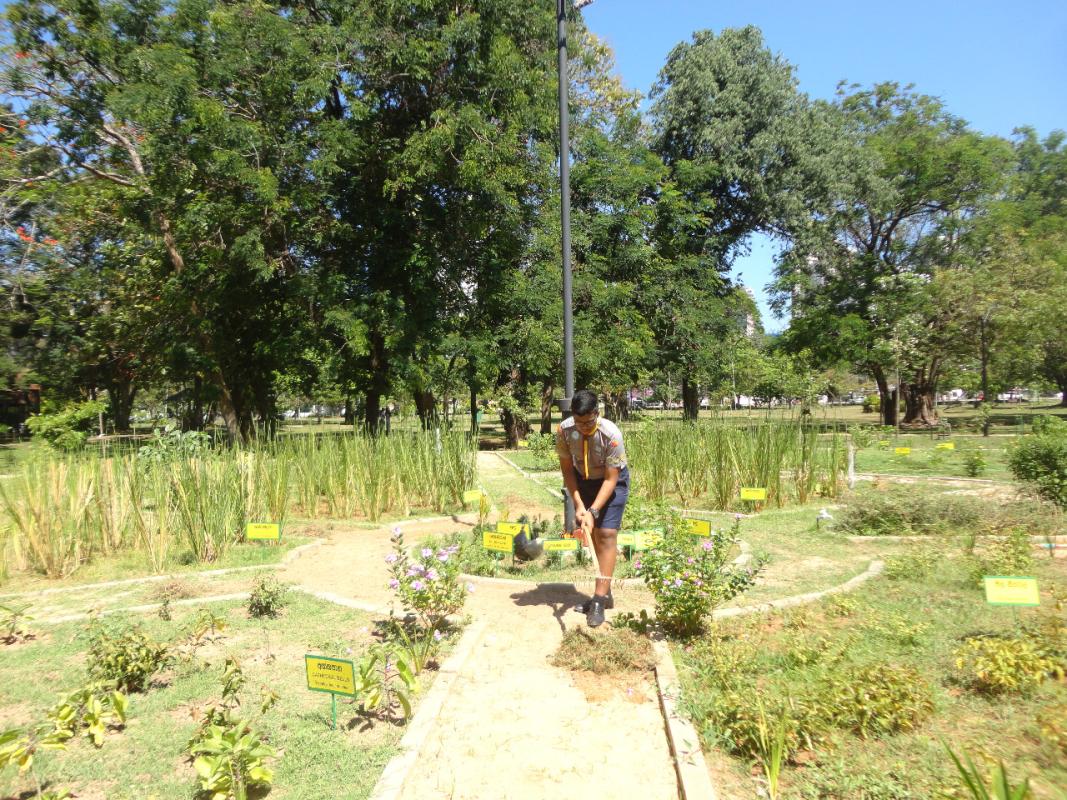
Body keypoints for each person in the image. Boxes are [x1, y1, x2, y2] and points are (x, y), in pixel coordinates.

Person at [555, 389, 629, 627]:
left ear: (597, 413)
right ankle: (604, 590)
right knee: (594, 534)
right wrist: (578, 504)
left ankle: (598, 599)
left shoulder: (611, 436)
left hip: (611, 482)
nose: (584, 427)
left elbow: (610, 479)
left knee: (606, 533)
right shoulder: (564, 431)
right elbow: (567, 469)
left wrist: (593, 511)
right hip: (583, 480)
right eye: (579, 422)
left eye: (588, 422)